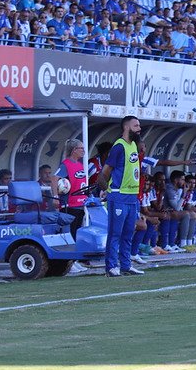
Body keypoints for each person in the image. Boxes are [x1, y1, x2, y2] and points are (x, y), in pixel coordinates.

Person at [98, 115, 144, 277]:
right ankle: (111, 266)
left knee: (127, 233)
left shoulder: (133, 146)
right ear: (126, 127)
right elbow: (103, 174)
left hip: (132, 197)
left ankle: (126, 265)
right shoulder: (119, 146)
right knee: (115, 233)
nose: (139, 128)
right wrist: (107, 191)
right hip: (118, 196)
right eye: (136, 125)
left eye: (139, 125)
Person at [51, 138, 88, 239]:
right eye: (81, 148)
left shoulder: (80, 165)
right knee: (70, 232)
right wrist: (55, 196)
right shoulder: (66, 164)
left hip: (81, 204)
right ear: (74, 150)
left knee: (77, 230)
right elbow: (54, 178)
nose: (83, 151)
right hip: (70, 204)